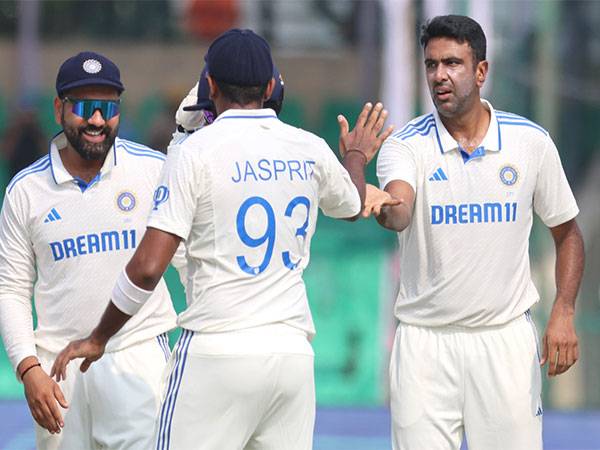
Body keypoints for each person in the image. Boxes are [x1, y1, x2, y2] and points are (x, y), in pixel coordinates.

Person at [51, 29, 394, 450]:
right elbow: (352, 202)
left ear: (209, 85)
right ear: (270, 87)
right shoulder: (308, 147)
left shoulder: (195, 151)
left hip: (217, 350)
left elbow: (147, 268)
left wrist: (99, 336)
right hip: (291, 354)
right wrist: (356, 156)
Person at [371, 15, 584, 450]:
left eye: (452, 63)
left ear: (481, 71)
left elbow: (567, 232)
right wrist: (378, 202)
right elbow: (398, 211)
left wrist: (563, 310)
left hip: (503, 341)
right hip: (424, 346)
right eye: (431, 65)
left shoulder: (530, 142)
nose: (439, 76)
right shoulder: (405, 145)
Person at [0, 51, 178, 449]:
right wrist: (29, 368)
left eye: (107, 107)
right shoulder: (25, 192)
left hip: (136, 356)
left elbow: (189, 261)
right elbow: (10, 290)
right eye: (84, 107)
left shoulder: (153, 170)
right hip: (58, 371)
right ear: (60, 108)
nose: (97, 120)